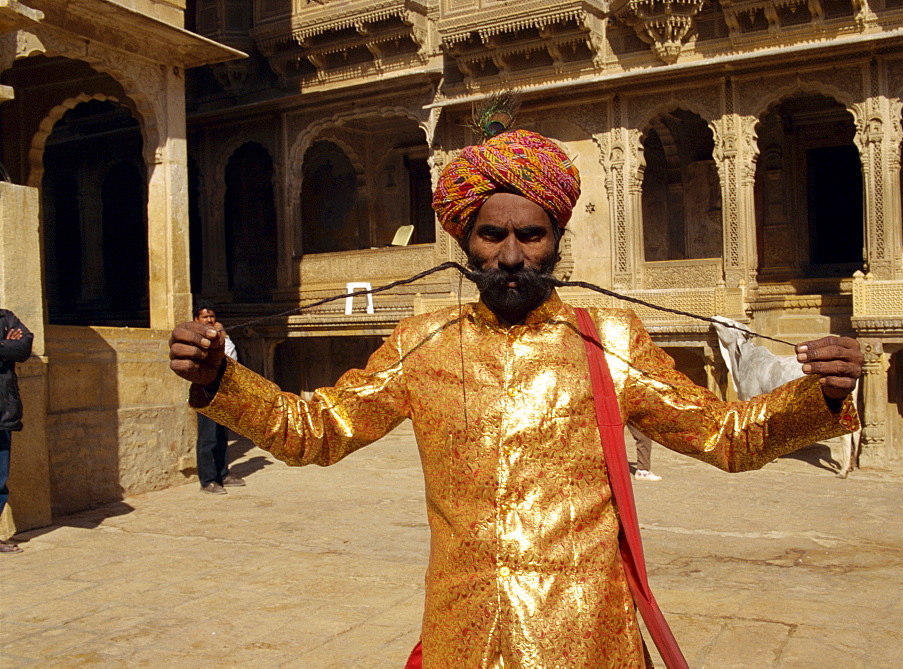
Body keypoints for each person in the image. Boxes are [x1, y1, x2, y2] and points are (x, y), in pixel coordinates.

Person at [169, 127, 861, 667]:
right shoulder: (423, 340)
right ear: (465, 239)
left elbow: (725, 435)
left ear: (556, 238)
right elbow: (312, 430)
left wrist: (818, 397)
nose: (509, 254)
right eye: (491, 233)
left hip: (585, 641)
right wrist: (218, 381)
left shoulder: (607, 337)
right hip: (461, 637)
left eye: (529, 234)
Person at [192, 301, 243, 494]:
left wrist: (223, 334)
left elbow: (231, 355)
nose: (210, 320)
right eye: (205, 317)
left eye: (212, 317)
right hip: (206, 390)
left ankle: (223, 474)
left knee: (222, 435)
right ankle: (207, 480)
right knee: (208, 436)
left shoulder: (220, 336)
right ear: (197, 319)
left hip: (223, 391)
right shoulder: (196, 339)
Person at [1, 309, 33, 554]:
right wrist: (5, 345)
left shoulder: (6, 318)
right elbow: (12, 348)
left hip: (2, 413)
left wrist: (12, 347)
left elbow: (22, 350)